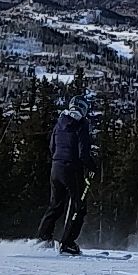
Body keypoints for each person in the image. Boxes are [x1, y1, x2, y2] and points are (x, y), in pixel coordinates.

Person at [37, 94, 95, 255]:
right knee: (79, 207)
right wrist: (92, 166)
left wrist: (58, 160)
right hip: (72, 169)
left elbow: (52, 146)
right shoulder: (81, 125)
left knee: (56, 205)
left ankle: (43, 238)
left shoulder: (59, 123)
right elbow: (83, 153)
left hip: (56, 168)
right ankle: (68, 243)